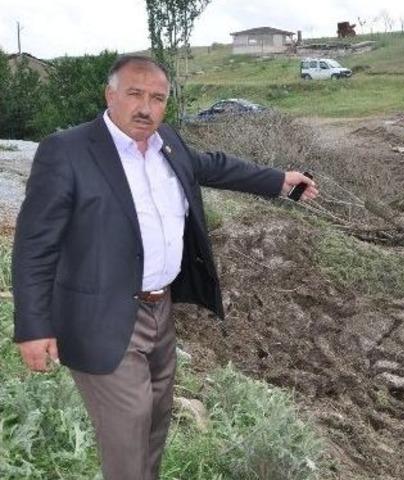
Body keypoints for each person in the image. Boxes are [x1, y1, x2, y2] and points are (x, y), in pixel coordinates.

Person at [11, 55, 319, 480]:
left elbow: (211, 165)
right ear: (110, 95)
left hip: (161, 310)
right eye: (135, 94)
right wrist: (33, 326)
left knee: (154, 423)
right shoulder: (67, 151)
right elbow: (33, 245)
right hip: (99, 315)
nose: (146, 107)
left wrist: (278, 181)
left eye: (157, 98)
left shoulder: (166, 142)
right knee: (128, 432)